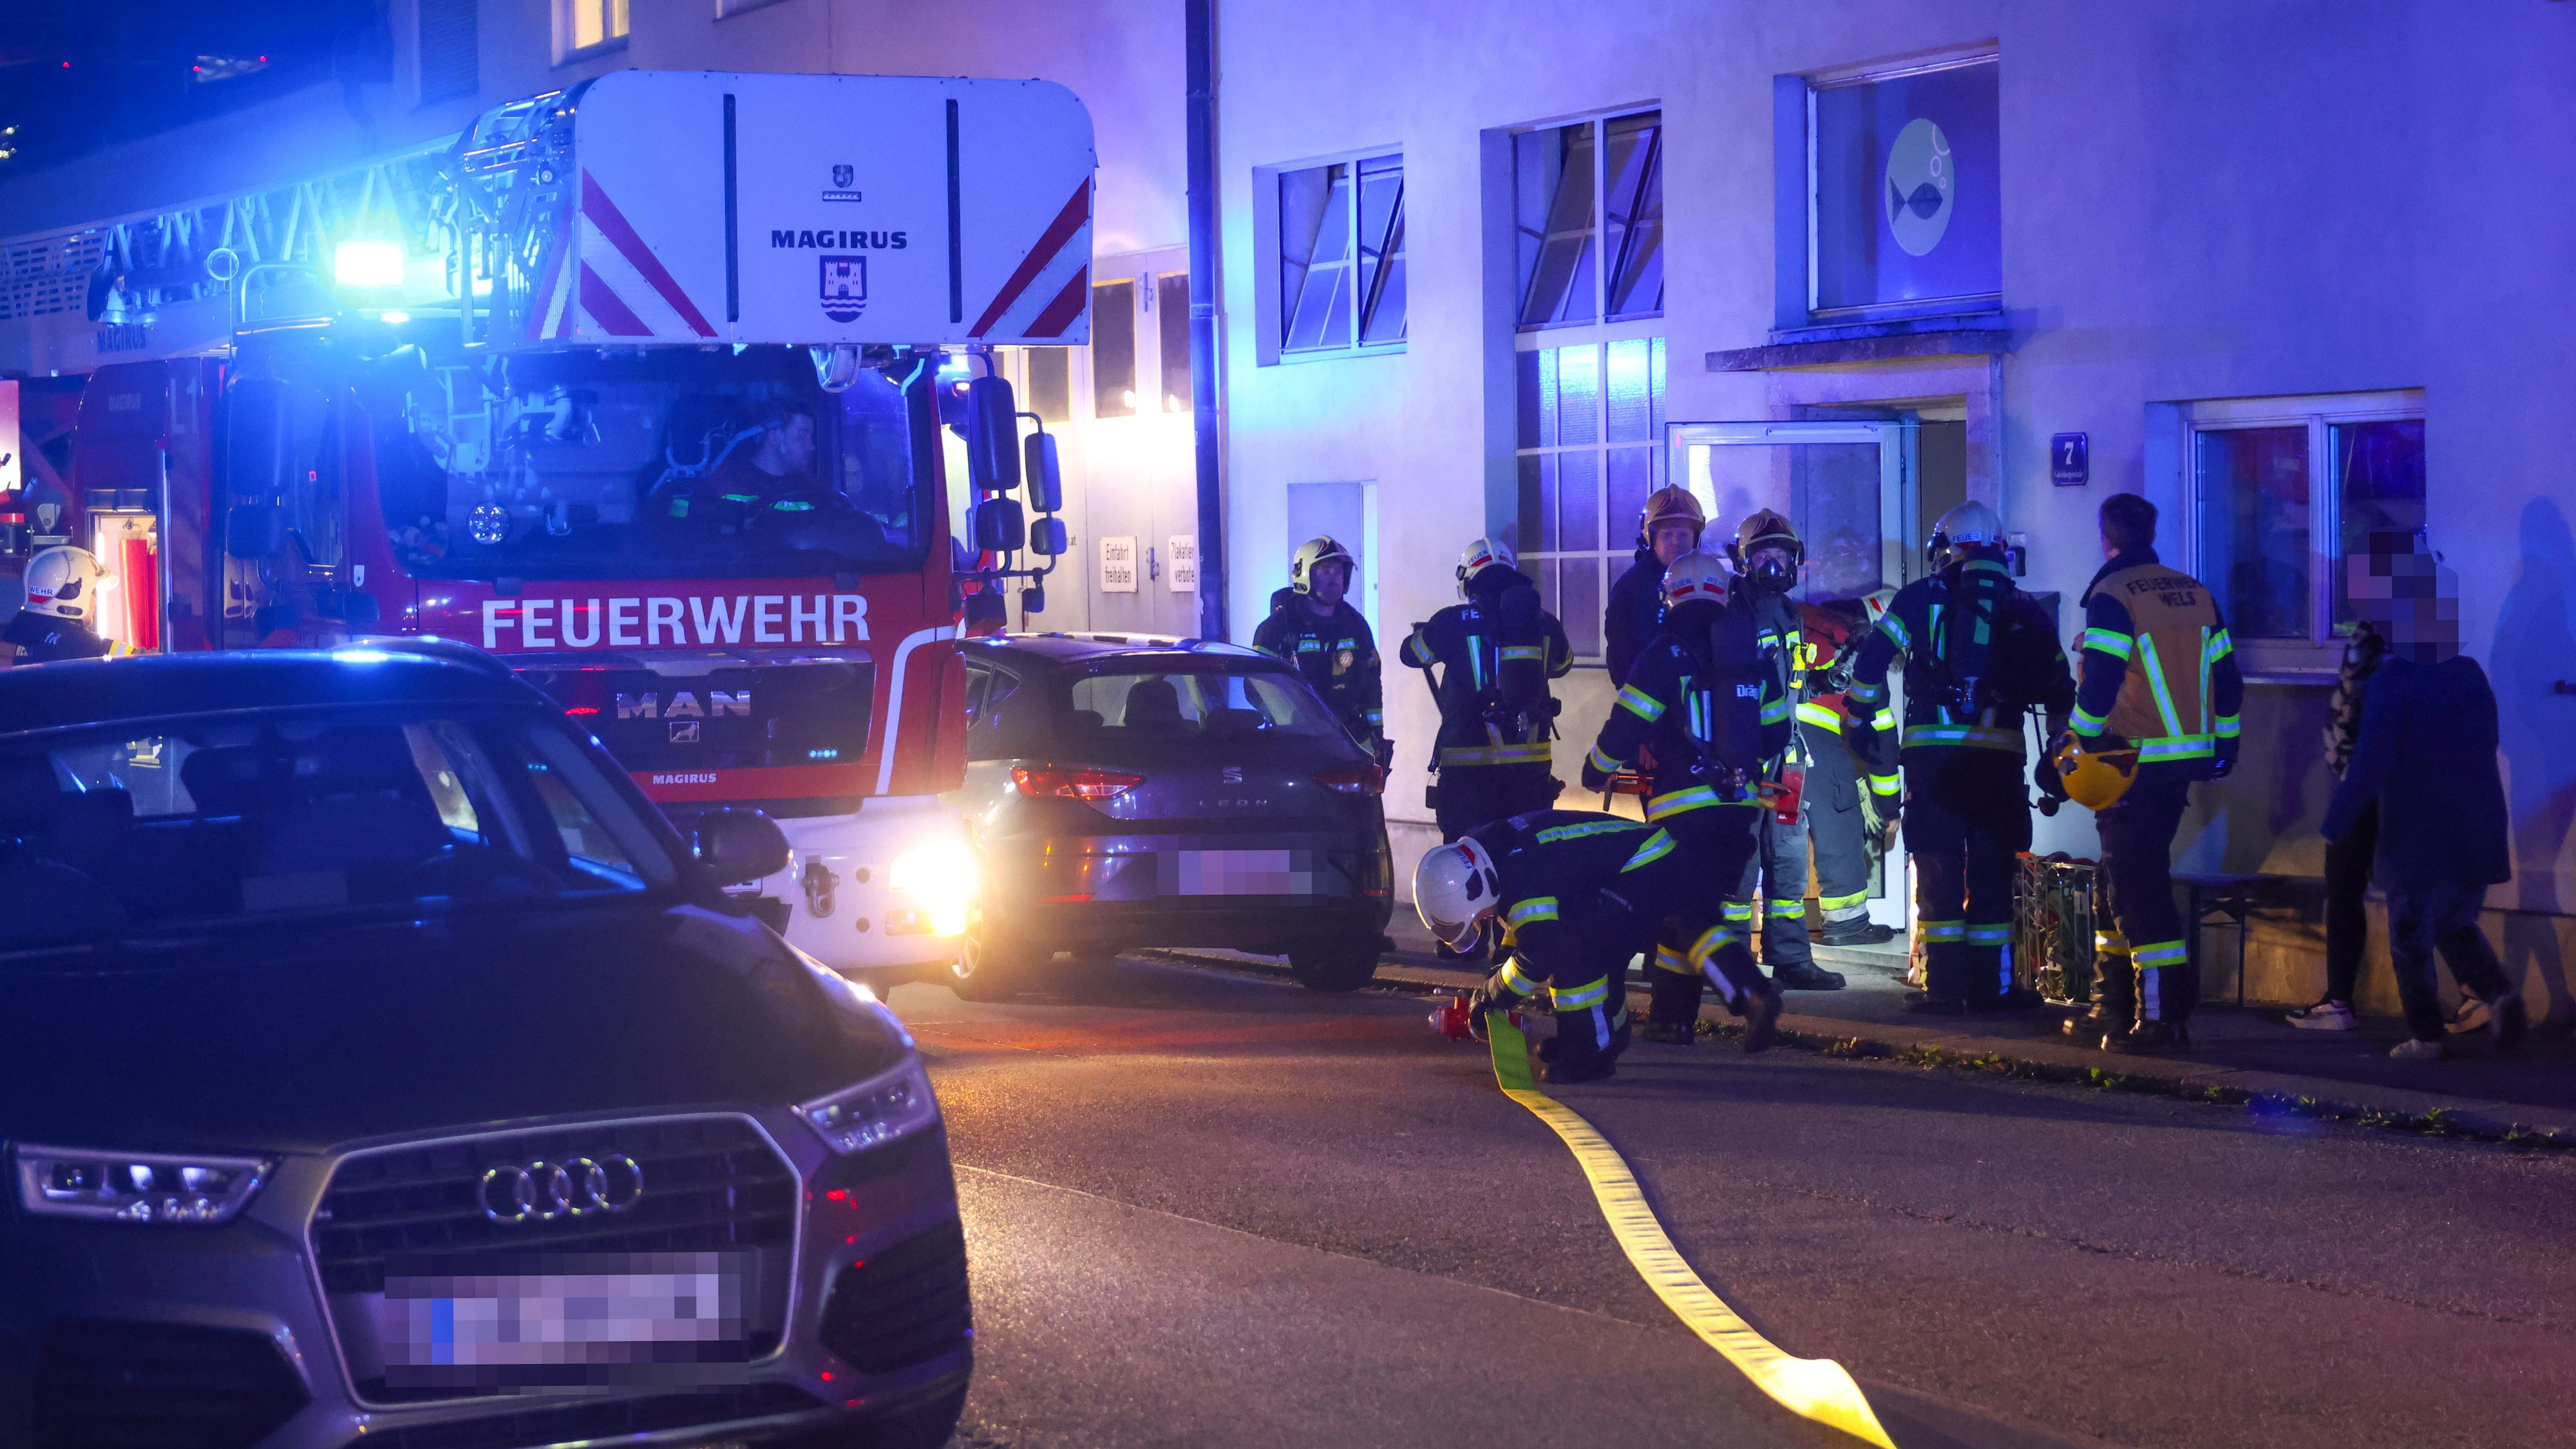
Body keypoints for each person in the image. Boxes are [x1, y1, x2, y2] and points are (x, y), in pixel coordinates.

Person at [1847, 501, 2074, 1016]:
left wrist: (1860, 719)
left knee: (1940, 872)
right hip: (1999, 763)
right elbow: (2060, 686)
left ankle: (1945, 991)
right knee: (1993, 875)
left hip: (1934, 762)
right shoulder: (2023, 606)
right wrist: (2059, 750)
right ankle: (1990, 990)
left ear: (1944, 548)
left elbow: (1872, 660)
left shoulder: (1916, 599)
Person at [2319, 539, 2526, 1059]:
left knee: (2409, 934)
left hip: (2417, 828)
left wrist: (2337, 822)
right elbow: (2489, 741)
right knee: (2455, 921)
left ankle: (2426, 1035)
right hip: (2476, 821)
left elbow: (2370, 763)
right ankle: (2499, 995)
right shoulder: (2468, 674)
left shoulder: (2393, 681)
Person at [2057, 493, 2244, 1054]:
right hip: (2180, 764)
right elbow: (2229, 681)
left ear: (2105, 533)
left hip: (2128, 762)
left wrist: (2075, 739)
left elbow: (2102, 681)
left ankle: (2162, 1020)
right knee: (2116, 884)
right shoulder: (2195, 592)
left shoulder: (2113, 595)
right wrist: (2225, 747)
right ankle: (2111, 1009)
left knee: (2139, 891)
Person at [1579, 549, 1790, 1043]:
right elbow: (1777, 732)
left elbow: (1626, 726)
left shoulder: (1664, 653)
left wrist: (1595, 771)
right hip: (1740, 813)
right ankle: (1673, 1020)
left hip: (1681, 815)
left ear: (1668, 598)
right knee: (1684, 909)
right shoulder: (1752, 652)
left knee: (1686, 911)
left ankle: (1751, 992)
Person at [1414, 807, 1783, 1083]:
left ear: (1478, 889)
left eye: (1478, 916)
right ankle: (1748, 995)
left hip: (1640, 869)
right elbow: (1527, 933)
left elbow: (1540, 952)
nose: (1481, 921)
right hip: (1646, 858)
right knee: (1679, 928)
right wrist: (1498, 981)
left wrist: (1492, 998)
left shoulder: (1518, 874)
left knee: (1579, 950)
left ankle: (1588, 1054)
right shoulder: (1492, 854)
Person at [1403, 536, 1572, 846]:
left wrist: (1430, 631)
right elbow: (1563, 664)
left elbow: (1411, 655)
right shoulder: (1545, 622)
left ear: (1468, 580)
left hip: (1468, 777)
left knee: (1467, 865)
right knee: (1525, 858)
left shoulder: (1452, 620)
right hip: (1531, 774)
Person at [2286, 604, 2390, 1031]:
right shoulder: (2430, 636)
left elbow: (2347, 714)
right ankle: (2478, 992)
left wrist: (2341, 767)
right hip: (2413, 789)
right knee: (2420, 895)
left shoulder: (2369, 637)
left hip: (2364, 784)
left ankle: (2340, 1002)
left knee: (2344, 888)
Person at [1253, 536, 1387, 762]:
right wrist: (1288, 719)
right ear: (1304, 574)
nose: (1335, 578)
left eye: (1338, 571)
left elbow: (1372, 685)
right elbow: (1255, 687)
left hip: (1351, 741)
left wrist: (1378, 737)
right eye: (1326, 570)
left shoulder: (1356, 625)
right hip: (1296, 744)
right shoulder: (1277, 628)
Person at [1605, 486, 1706, 688]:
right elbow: (1620, 658)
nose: (1676, 542)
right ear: (1651, 537)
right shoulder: (1632, 588)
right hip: (1652, 703)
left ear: (1696, 538)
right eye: (1667, 534)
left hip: (1702, 698)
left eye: (1684, 535)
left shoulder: (1708, 579)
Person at [2, 546, 119, 663]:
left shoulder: (18, 627)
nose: (95, 600)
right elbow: (135, 660)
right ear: (73, 595)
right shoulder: (81, 644)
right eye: (91, 592)